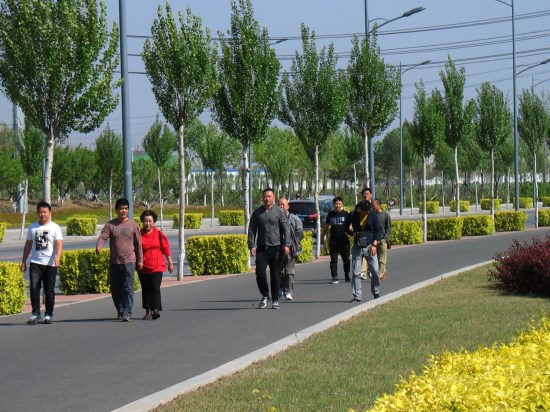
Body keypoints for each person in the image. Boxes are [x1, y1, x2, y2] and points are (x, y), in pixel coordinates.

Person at [96, 198, 143, 322]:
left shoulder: (133, 225)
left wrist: (140, 260)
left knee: (127, 288)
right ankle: (120, 310)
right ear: (116, 210)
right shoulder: (110, 225)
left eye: (126, 208)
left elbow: (138, 244)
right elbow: (103, 237)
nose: (124, 211)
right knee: (116, 289)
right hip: (115, 262)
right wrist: (99, 245)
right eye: (121, 208)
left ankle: (127, 312)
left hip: (129, 261)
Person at [21, 201, 63, 325]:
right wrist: (23, 260)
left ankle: (48, 314)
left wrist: (58, 257)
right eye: (40, 212)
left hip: (50, 264)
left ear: (50, 213)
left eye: (45, 212)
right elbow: (28, 244)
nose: (42, 214)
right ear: (37, 213)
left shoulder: (55, 227)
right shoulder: (32, 227)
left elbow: (59, 243)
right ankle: (35, 314)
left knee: (49, 290)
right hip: (35, 263)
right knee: (34, 288)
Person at [248, 188, 291, 309]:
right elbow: (252, 229)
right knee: (260, 273)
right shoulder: (257, 212)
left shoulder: (279, 211)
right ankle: (265, 295)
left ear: (274, 197)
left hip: (276, 248)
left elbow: (286, 228)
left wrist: (286, 244)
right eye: (265, 196)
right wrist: (252, 245)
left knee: (275, 275)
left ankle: (275, 299)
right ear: (263, 197)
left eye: (269, 196)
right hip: (262, 248)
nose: (267, 198)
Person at [137, 209, 173, 320]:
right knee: (145, 288)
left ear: (154, 222)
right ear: (142, 221)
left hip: (157, 265)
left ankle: (155, 309)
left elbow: (166, 249)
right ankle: (148, 310)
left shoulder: (159, 234)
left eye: (150, 221)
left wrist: (170, 262)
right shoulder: (139, 235)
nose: (148, 223)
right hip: (143, 266)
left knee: (155, 287)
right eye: (145, 221)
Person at [345, 196, 382, 302]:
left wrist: (374, 244)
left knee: (375, 270)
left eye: (368, 212)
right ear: (360, 210)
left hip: (370, 246)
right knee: (356, 272)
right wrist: (352, 233)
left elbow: (378, 231)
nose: (366, 213)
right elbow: (345, 227)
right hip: (357, 246)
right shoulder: (353, 215)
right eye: (364, 212)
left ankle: (376, 291)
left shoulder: (373, 216)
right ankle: (357, 295)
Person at [277, 197, 304, 300]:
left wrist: (291, 244)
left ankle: (288, 291)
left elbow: (300, 232)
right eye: (279, 205)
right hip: (277, 248)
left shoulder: (294, 219)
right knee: (278, 270)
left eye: (283, 205)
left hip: (290, 249)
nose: (281, 206)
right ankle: (279, 289)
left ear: (288, 206)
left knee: (289, 271)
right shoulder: (274, 218)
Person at [320, 196, 350, 284]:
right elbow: (326, 226)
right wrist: (322, 236)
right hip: (334, 241)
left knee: (346, 259)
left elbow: (352, 225)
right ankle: (334, 277)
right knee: (333, 260)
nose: (337, 205)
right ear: (333, 205)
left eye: (339, 204)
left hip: (344, 240)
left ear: (342, 204)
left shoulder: (346, 214)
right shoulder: (330, 214)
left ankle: (347, 275)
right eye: (336, 204)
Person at [373, 198, 392, 282]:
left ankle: (380, 275)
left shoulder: (385, 215)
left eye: (373, 205)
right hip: (374, 240)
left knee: (382, 258)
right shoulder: (372, 215)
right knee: (376, 259)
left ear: (378, 205)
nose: (372, 206)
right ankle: (383, 272)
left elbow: (389, 228)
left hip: (382, 240)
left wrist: (385, 238)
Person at [359, 187, 373, 280]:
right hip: (362, 234)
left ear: (371, 195)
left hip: (372, 234)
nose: (365, 195)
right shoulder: (359, 206)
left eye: (367, 193)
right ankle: (363, 272)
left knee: (372, 254)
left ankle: (371, 270)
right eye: (364, 194)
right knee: (364, 253)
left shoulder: (374, 205)